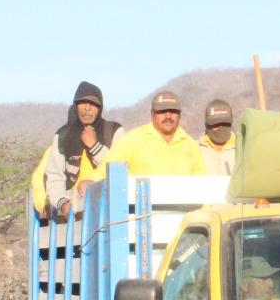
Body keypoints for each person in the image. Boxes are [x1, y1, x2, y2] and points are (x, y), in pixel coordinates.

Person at [41, 82, 121, 219]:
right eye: (82, 103)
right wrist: (62, 203)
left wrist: (95, 146)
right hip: (71, 214)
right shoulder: (63, 136)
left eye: (93, 103)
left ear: (100, 107)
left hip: (108, 210)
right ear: (75, 106)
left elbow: (120, 170)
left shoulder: (114, 131)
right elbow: (54, 176)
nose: (87, 108)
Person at [104, 90, 207, 175]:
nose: (168, 116)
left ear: (179, 114)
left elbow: (201, 182)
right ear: (152, 114)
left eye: (173, 111)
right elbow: (105, 172)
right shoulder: (132, 139)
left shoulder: (191, 145)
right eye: (162, 111)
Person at [199, 99, 236, 175]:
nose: (221, 127)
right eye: (215, 124)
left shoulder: (243, 150)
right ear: (207, 124)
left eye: (224, 123)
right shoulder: (195, 150)